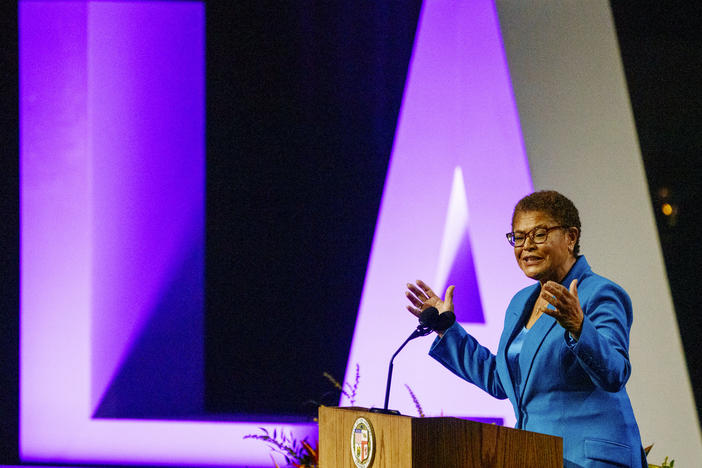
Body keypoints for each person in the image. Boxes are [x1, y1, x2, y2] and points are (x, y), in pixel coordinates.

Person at [405, 190, 646, 468]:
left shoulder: (600, 293)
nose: (526, 246)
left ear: (571, 237)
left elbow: (615, 373)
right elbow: (501, 380)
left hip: (590, 459)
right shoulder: (520, 302)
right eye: (519, 237)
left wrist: (580, 329)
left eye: (539, 234)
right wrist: (446, 328)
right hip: (538, 455)